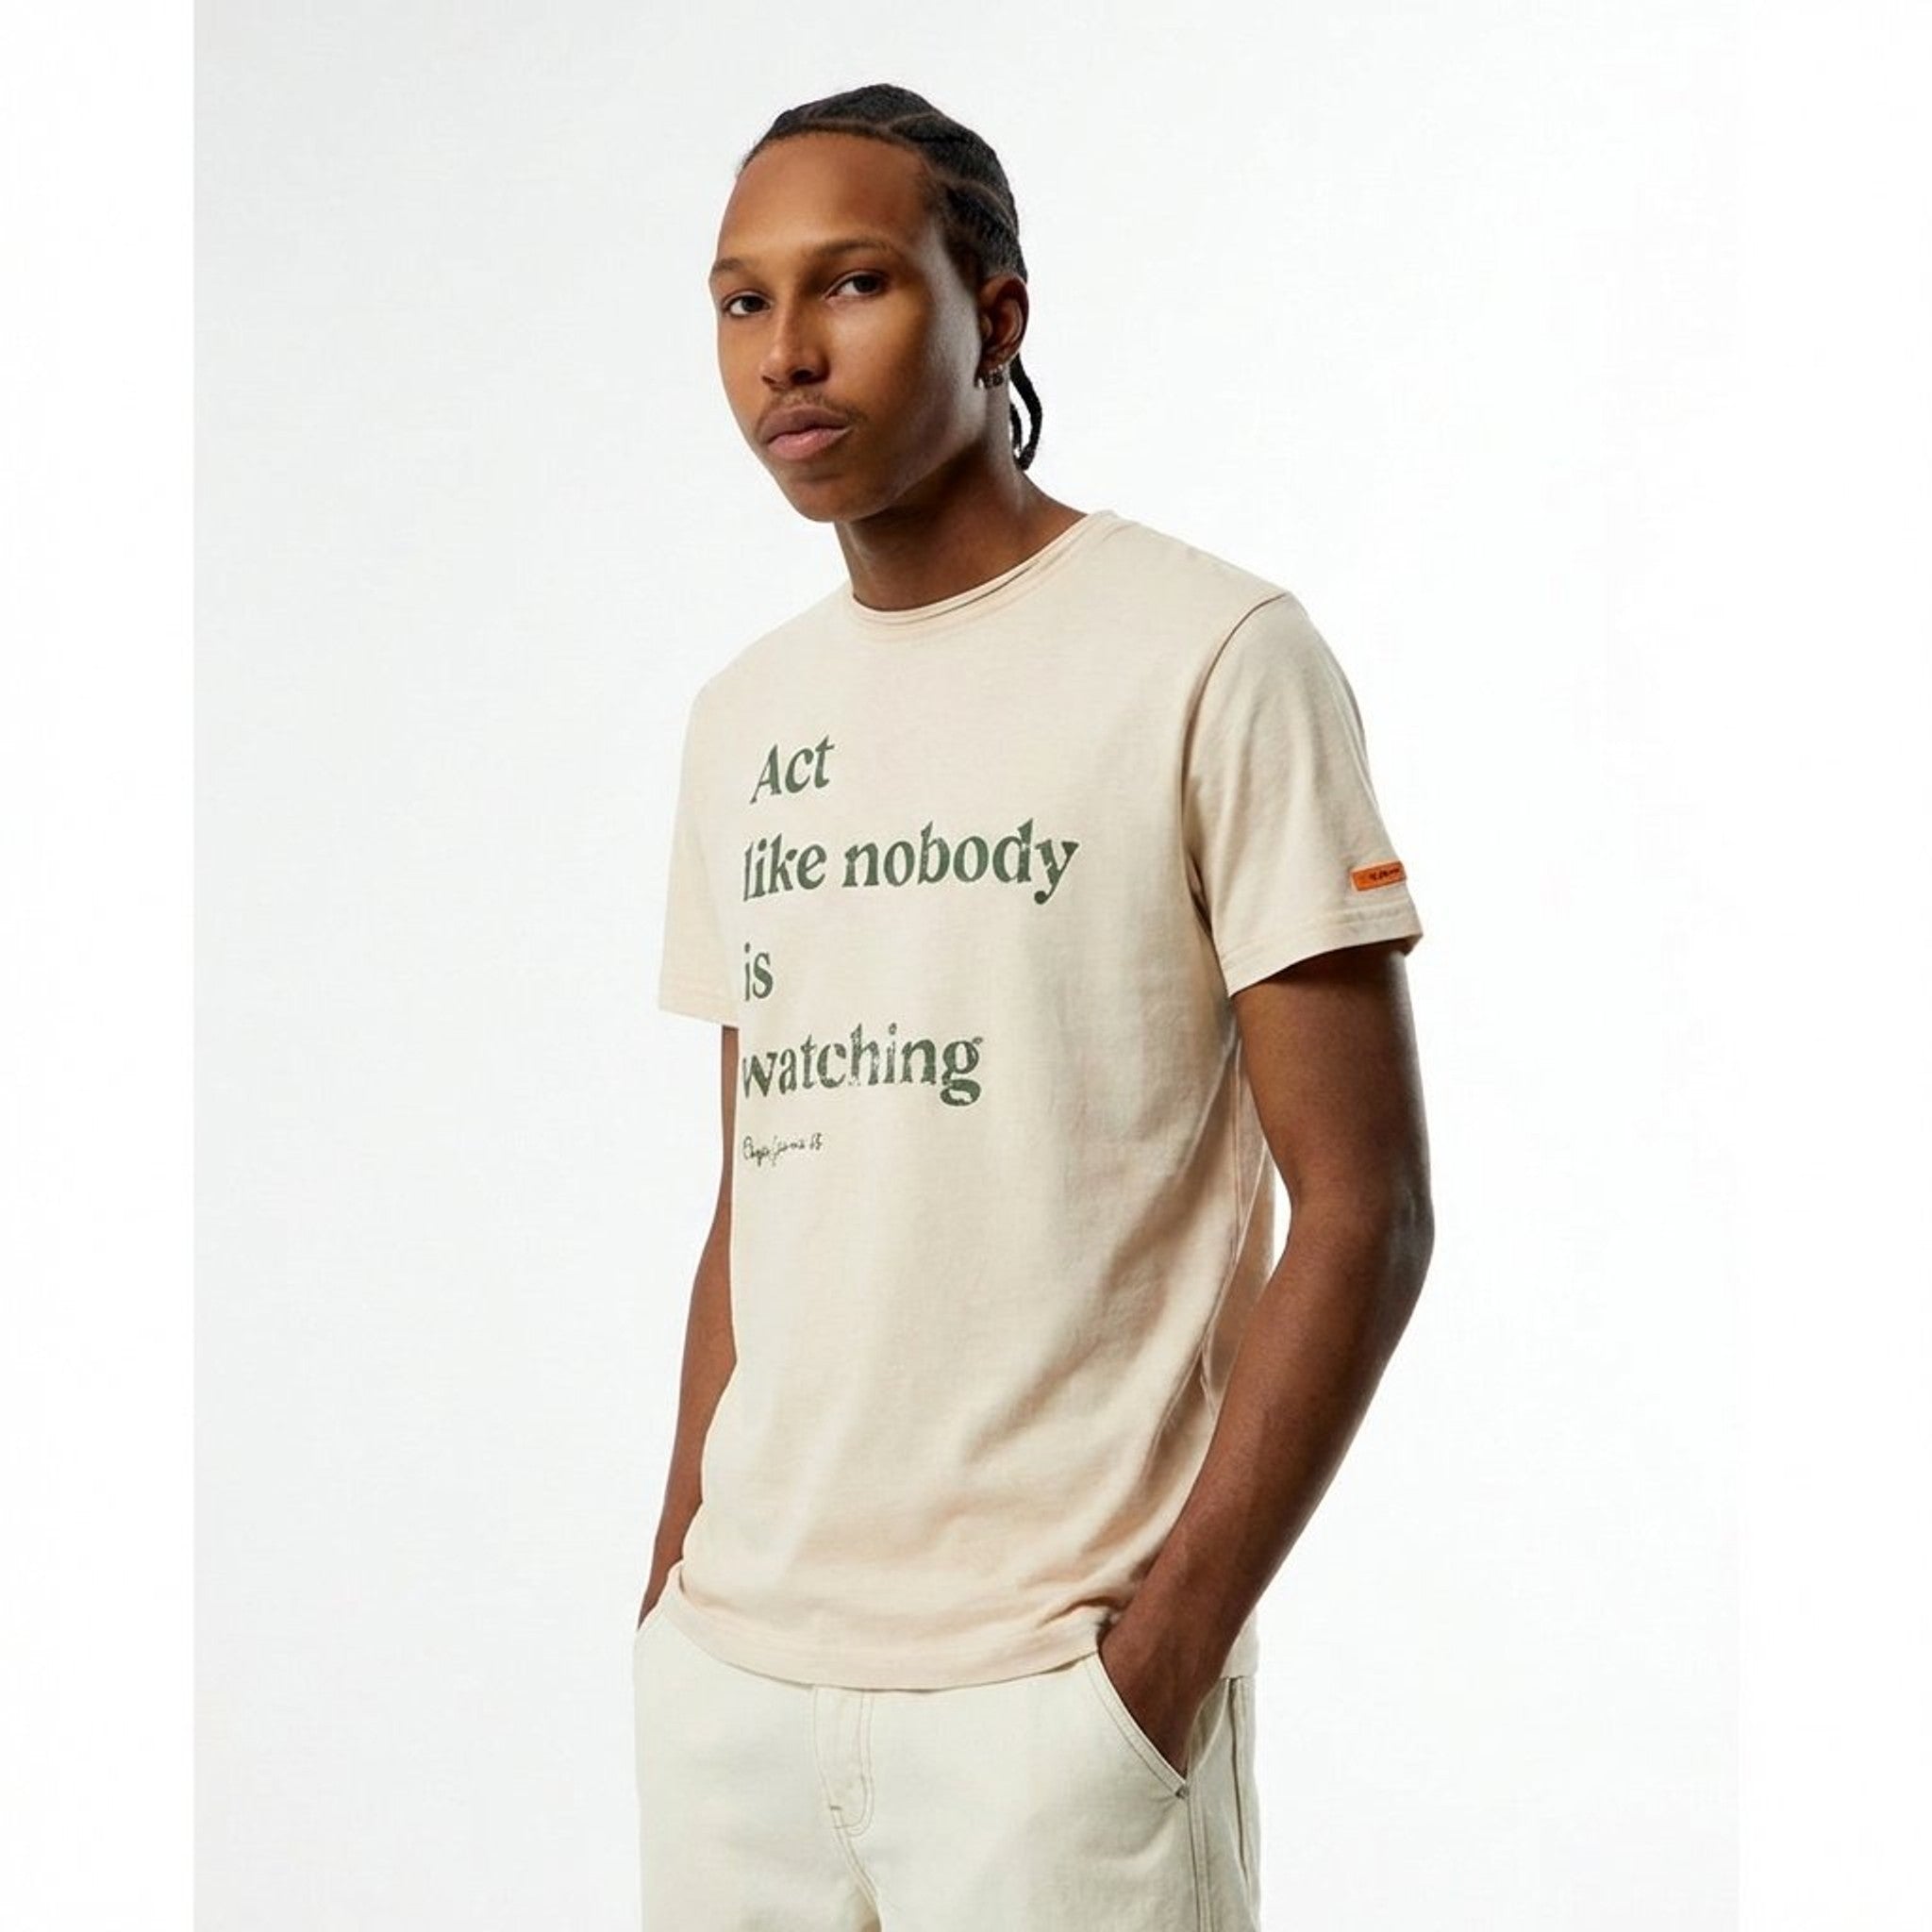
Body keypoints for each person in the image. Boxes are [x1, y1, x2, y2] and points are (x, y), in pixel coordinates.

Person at [631, 81, 1434, 1932]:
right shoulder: (742, 720)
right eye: (742, 300)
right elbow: (760, 1181)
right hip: (735, 1705)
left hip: (1049, 1717)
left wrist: (1157, 1668)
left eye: (851, 283)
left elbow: (1366, 1207)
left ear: (993, 313)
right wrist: (674, 1586)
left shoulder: (1213, 656)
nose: (785, 351)